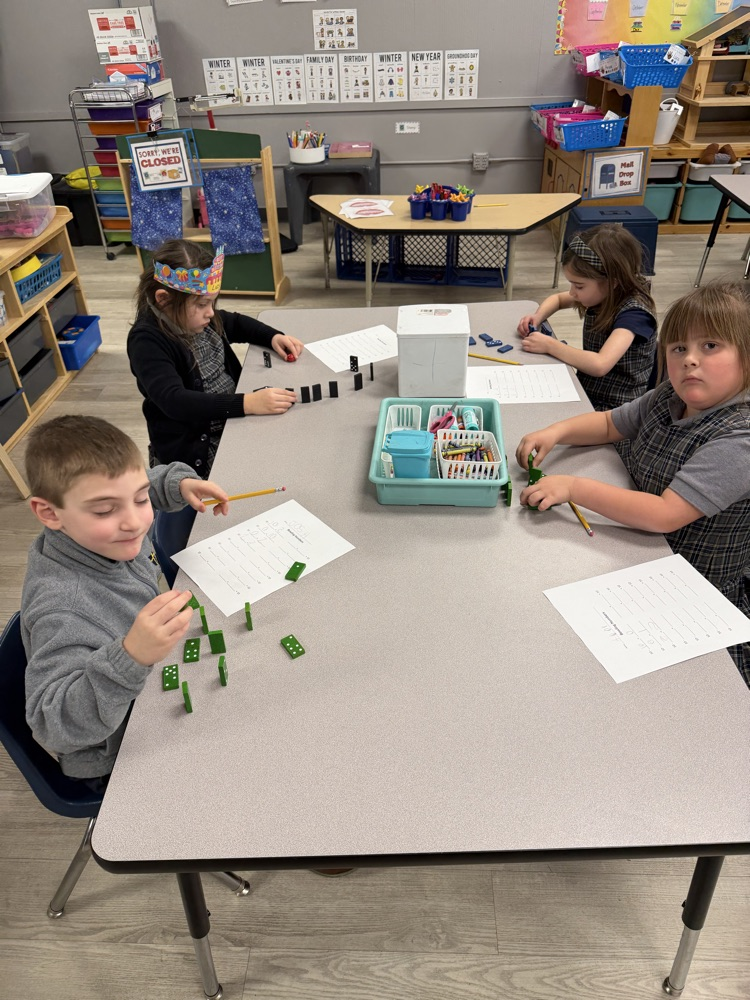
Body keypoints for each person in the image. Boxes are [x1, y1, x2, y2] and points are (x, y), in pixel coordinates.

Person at [516, 281, 750, 687]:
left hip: (693, 587)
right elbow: (610, 422)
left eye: (710, 346)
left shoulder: (740, 438)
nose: (689, 361)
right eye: (678, 348)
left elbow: (664, 515)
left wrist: (573, 487)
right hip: (636, 552)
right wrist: (555, 431)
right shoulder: (669, 396)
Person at [21, 415, 230, 787]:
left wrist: (175, 483)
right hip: (117, 754)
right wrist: (130, 657)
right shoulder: (62, 609)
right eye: (105, 510)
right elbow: (51, 723)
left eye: (138, 500)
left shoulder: (100, 532)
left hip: (147, 686)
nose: (135, 522)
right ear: (49, 513)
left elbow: (138, 485)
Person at [127, 239, 304, 476]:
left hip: (232, 419)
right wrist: (248, 403)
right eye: (202, 304)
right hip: (195, 451)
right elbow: (175, 401)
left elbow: (236, 323)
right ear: (164, 299)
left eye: (212, 302)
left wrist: (272, 336)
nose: (211, 312)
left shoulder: (197, 318)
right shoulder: (147, 341)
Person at [517, 225, 658, 412]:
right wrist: (537, 316)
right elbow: (558, 299)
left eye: (579, 286)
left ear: (613, 281)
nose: (573, 293)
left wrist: (550, 345)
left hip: (617, 410)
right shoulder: (605, 293)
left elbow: (600, 364)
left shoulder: (635, 315)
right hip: (588, 392)